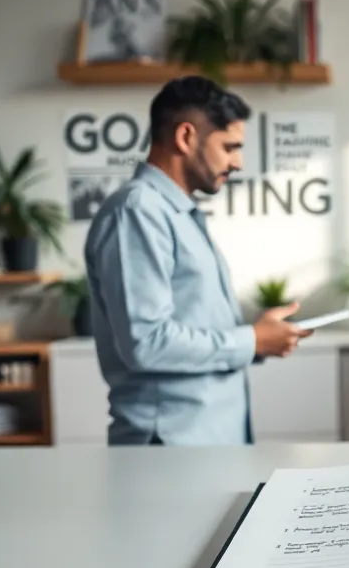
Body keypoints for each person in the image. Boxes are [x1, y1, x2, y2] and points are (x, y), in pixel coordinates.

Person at [84, 76, 310, 446]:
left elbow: (193, 325)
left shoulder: (176, 213)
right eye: (230, 147)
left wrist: (259, 338)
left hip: (204, 440)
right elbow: (148, 342)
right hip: (170, 446)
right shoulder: (138, 212)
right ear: (186, 137)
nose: (238, 162)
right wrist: (251, 341)